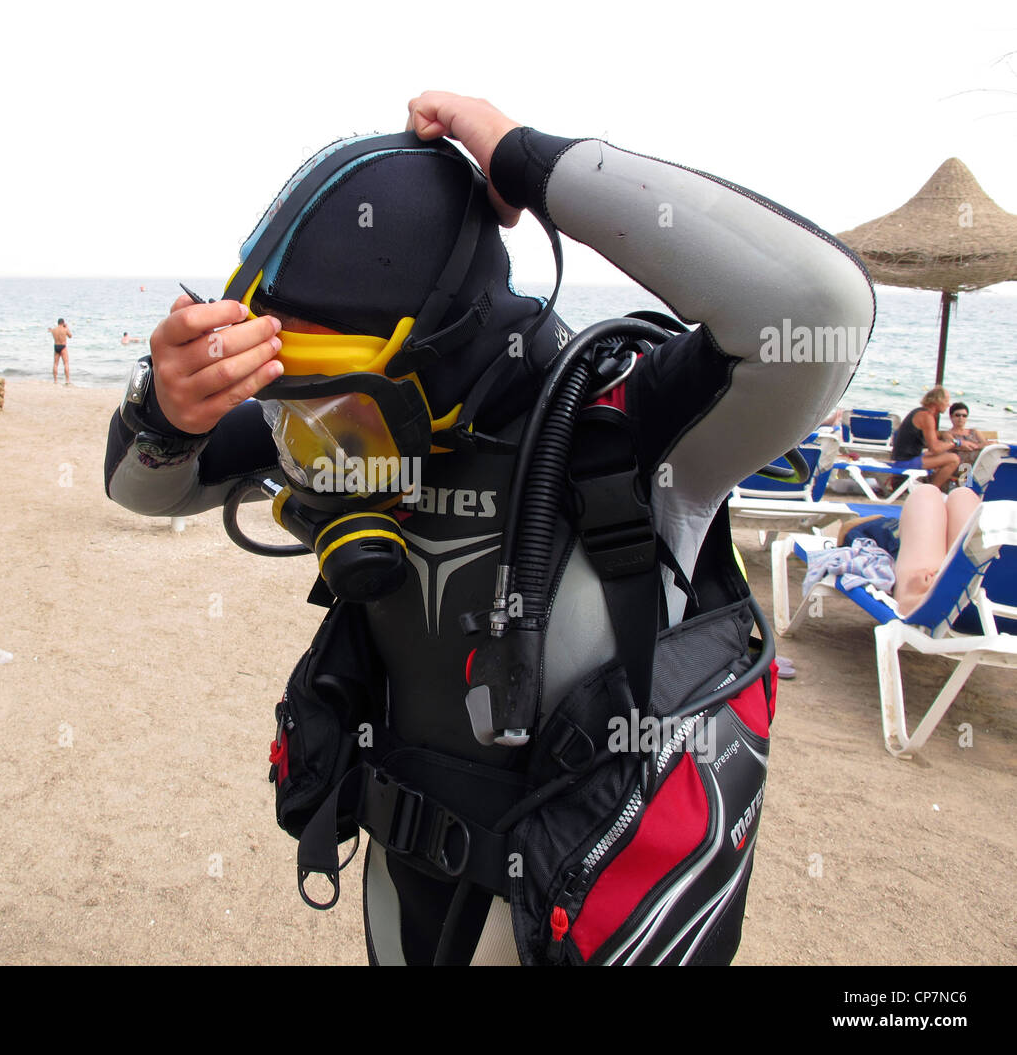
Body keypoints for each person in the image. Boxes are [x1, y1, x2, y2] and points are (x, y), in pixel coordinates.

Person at [104, 92, 874, 965]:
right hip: (404, 882)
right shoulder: (334, 420)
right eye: (284, 397)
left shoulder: (627, 430)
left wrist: (527, 162)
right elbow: (146, 492)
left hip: (574, 906)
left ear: (434, 346)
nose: (305, 439)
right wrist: (165, 409)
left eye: (326, 396)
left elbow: (820, 310)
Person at [839, 484, 982, 616]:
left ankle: (912, 594)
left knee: (926, 493)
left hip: (937, 605)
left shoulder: (867, 532)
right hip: (988, 602)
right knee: (962, 495)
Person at [890, 386, 959, 489]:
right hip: (905, 462)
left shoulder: (919, 412)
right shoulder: (926, 416)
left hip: (903, 458)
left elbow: (933, 444)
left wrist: (946, 440)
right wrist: (956, 443)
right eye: (946, 401)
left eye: (964, 416)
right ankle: (931, 490)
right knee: (954, 459)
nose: (948, 404)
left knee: (945, 456)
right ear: (938, 401)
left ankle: (928, 487)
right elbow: (935, 448)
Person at [51, 318, 72, 384]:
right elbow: (70, 336)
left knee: (55, 364)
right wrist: (67, 327)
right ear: (63, 323)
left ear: (58, 323)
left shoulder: (54, 330)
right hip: (63, 346)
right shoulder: (65, 329)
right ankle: (67, 380)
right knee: (65, 363)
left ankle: (55, 380)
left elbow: (53, 335)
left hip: (56, 346)